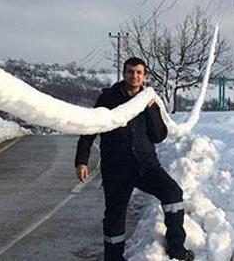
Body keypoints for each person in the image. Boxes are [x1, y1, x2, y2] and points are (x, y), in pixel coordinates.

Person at [75, 57, 194, 261]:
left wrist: (150, 110)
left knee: (173, 193)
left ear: (144, 76)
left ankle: (176, 247)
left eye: (139, 72)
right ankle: (113, 258)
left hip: (146, 165)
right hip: (117, 168)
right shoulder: (108, 98)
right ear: (124, 74)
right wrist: (82, 160)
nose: (134, 76)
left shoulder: (149, 100)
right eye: (130, 72)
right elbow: (90, 129)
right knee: (115, 216)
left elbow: (159, 135)